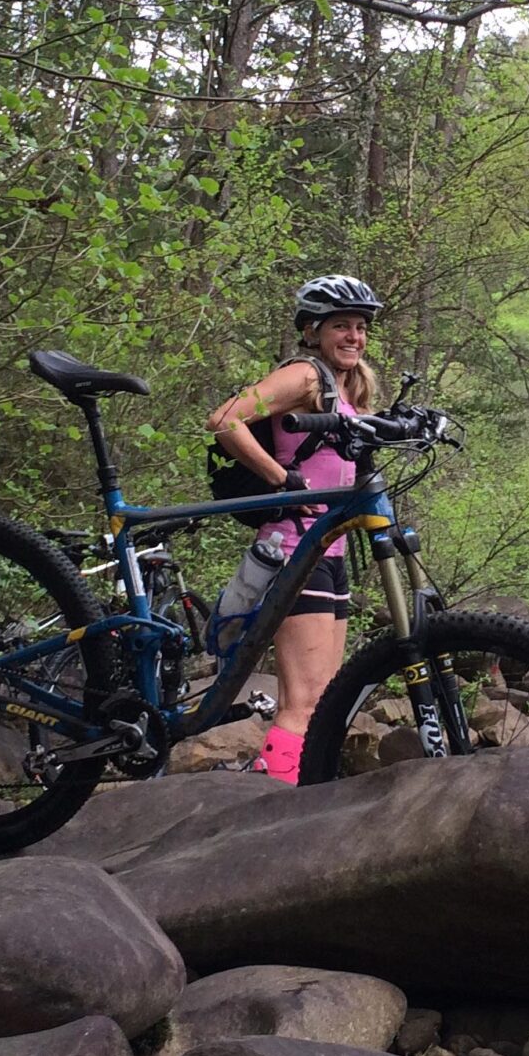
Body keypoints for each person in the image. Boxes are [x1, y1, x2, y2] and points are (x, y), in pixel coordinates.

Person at [206, 273, 380, 782]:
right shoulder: (305, 375)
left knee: (325, 699)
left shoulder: (348, 387)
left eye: (361, 327)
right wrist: (283, 479)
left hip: (331, 552)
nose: (354, 337)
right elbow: (224, 420)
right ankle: (270, 803)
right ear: (313, 331)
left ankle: (301, 794)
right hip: (292, 549)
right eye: (341, 327)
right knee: (301, 702)